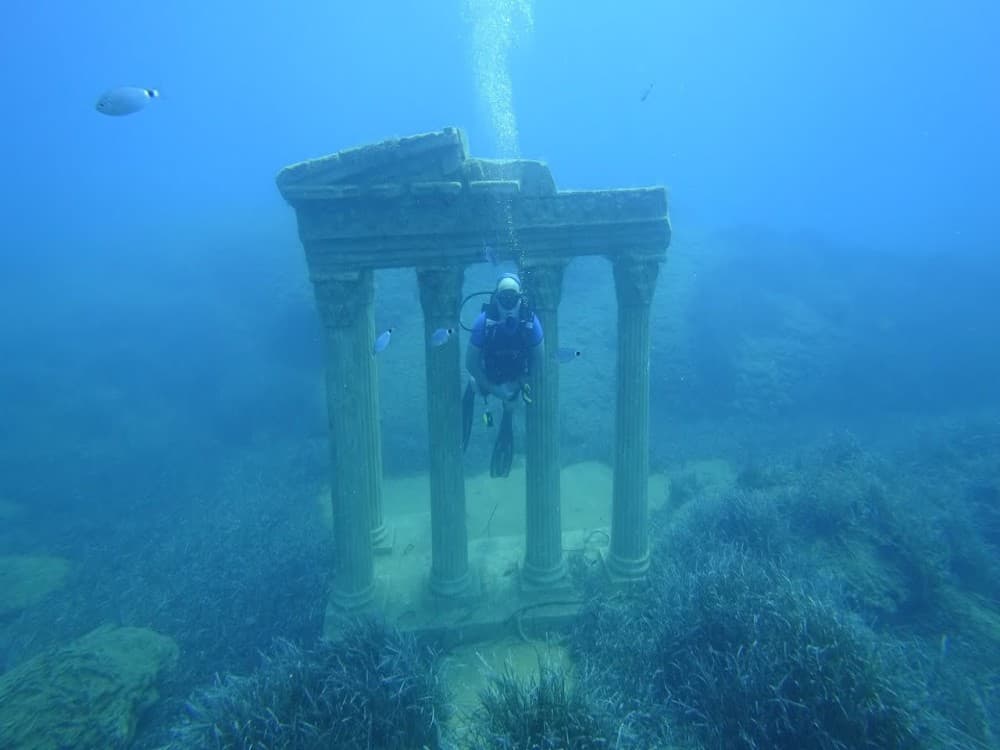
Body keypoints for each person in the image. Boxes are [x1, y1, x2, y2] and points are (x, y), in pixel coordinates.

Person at [462, 272, 544, 477]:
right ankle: (466, 423)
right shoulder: (483, 322)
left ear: (520, 300)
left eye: (512, 299)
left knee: (510, 406)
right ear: (495, 300)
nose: (508, 305)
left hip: (515, 378)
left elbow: (538, 363)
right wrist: (493, 388)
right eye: (503, 299)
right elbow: (471, 364)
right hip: (488, 377)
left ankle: (507, 420)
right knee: (474, 386)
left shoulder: (531, 322)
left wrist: (519, 385)